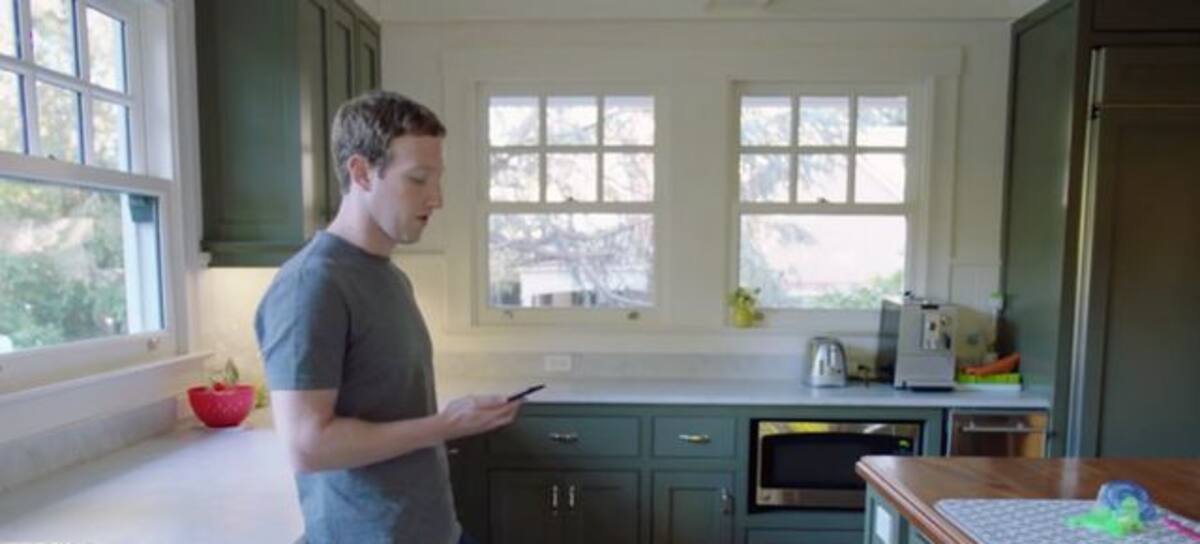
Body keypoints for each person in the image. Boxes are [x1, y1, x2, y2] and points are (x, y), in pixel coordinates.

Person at [255, 91, 520, 544]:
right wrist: (446, 425)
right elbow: (307, 446)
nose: (436, 198)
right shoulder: (311, 284)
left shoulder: (389, 276)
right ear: (361, 172)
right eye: (418, 179)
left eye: (437, 179)